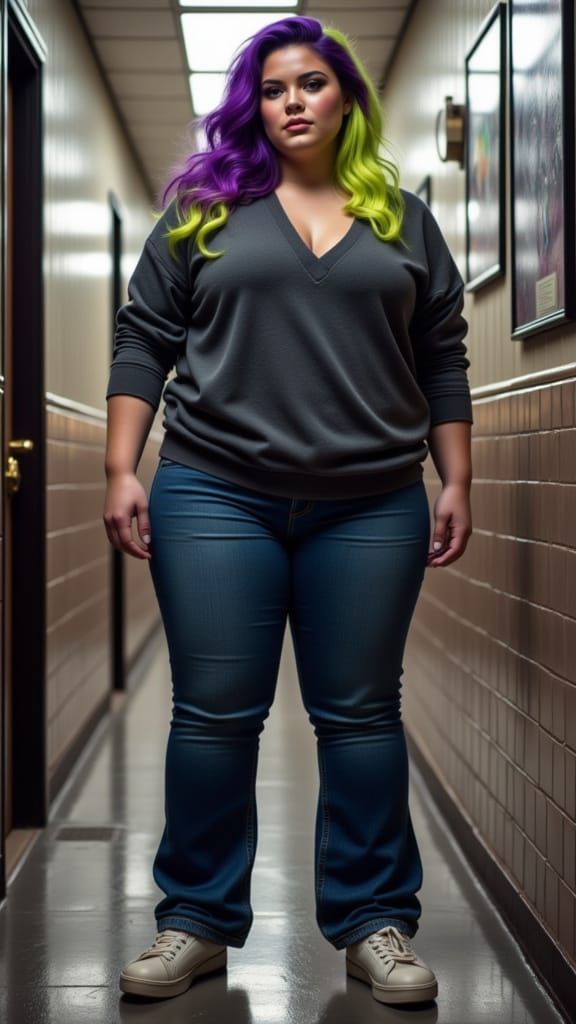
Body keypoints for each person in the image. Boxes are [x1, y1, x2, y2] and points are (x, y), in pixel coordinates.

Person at [103, 15, 473, 1008]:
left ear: (345, 94)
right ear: (253, 107)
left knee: (359, 714)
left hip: (372, 499)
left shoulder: (399, 214)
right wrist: (121, 467)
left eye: (312, 83)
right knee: (215, 713)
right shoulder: (203, 207)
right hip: (216, 488)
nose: (293, 101)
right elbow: (143, 335)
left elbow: (442, 348)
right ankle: (195, 921)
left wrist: (458, 478)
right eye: (274, 89)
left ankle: (374, 923)